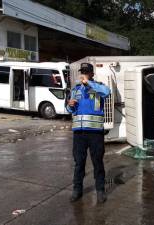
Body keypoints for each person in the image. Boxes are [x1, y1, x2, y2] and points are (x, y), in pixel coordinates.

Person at [66, 63, 111, 203]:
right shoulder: (76, 90)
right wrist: (70, 106)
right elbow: (71, 110)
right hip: (79, 133)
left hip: (95, 133)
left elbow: (107, 92)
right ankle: (77, 190)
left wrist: (89, 83)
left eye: (86, 72)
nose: (83, 74)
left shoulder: (98, 87)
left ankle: (100, 190)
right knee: (79, 162)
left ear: (91, 74)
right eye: (82, 72)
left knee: (97, 161)